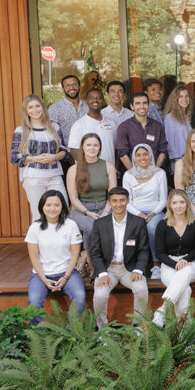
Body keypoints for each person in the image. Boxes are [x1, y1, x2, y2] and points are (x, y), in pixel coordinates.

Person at [89, 186, 150, 328]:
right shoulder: (99, 224)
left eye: (122, 200)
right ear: (109, 203)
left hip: (129, 268)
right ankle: (102, 329)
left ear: (128, 201)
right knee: (99, 296)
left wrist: (138, 270)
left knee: (141, 289)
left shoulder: (138, 223)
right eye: (115, 201)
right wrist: (102, 273)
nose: (119, 204)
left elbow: (143, 250)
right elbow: (95, 252)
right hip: (107, 269)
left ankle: (138, 327)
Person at [25, 190, 86, 320]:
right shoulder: (34, 228)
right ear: (42, 207)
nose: (52, 208)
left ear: (63, 206)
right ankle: (38, 336)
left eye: (56, 205)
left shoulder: (71, 225)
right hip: (41, 274)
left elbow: (75, 254)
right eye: (48, 205)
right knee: (34, 302)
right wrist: (44, 279)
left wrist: (65, 277)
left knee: (80, 296)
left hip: (68, 272)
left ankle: (72, 332)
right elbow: (34, 257)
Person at [11, 94, 69, 220]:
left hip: (55, 177)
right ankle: (38, 240)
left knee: (63, 213)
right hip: (34, 179)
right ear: (26, 111)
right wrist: (37, 159)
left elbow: (64, 151)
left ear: (43, 107)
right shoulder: (21, 130)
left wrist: (53, 157)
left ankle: (61, 240)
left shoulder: (54, 127)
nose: (35, 110)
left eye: (37, 106)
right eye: (30, 107)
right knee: (39, 216)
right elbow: (15, 157)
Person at [152, 190, 195, 326]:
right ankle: (184, 331)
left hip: (191, 263)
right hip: (168, 264)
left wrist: (186, 260)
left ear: (187, 204)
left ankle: (162, 309)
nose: (179, 206)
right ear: (169, 205)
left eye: (182, 202)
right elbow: (159, 252)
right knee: (185, 290)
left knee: (186, 271)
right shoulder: (162, 225)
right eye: (175, 202)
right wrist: (175, 264)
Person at [67, 133, 116, 264]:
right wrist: (87, 213)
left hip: (104, 207)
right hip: (81, 209)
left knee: (107, 224)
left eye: (95, 145)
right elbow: (73, 199)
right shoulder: (74, 169)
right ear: (82, 147)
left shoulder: (108, 166)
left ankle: (87, 256)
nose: (92, 148)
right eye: (88, 145)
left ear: (100, 147)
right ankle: (90, 257)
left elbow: (112, 195)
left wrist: (105, 212)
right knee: (93, 226)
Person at [123, 143, 168, 275]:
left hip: (156, 211)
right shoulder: (128, 175)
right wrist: (140, 214)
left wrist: (153, 213)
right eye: (138, 155)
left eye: (145, 154)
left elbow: (163, 199)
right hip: (135, 212)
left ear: (150, 155)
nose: (142, 158)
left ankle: (156, 264)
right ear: (134, 157)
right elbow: (127, 201)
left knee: (152, 228)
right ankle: (137, 266)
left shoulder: (160, 173)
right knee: (134, 229)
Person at [115, 92, 169, 171]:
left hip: (155, 172)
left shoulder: (157, 126)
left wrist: (155, 170)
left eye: (144, 103)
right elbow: (122, 154)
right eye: (137, 103)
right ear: (132, 106)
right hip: (133, 174)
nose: (142, 106)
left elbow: (163, 151)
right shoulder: (124, 127)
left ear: (148, 105)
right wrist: (134, 173)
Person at [68, 88, 116, 163]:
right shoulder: (79, 124)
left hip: (110, 171)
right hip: (88, 172)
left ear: (103, 101)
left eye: (99, 98)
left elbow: (115, 148)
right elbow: (74, 150)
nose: (95, 100)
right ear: (86, 101)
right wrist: (89, 167)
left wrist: (114, 168)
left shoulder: (112, 123)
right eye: (91, 98)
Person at [48, 74, 88, 141]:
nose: (71, 88)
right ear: (63, 89)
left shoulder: (88, 106)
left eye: (74, 84)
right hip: (67, 150)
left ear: (79, 87)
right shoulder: (55, 108)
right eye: (67, 85)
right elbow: (51, 134)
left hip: (89, 149)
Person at [164, 84, 195, 164]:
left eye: (187, 96)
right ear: (175, 99)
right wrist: (177, 161)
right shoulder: (170, 118)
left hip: (192, 159)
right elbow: (169, 141)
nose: (184, 99)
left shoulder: (188, 116)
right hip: (180, 161)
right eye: (181, 96)